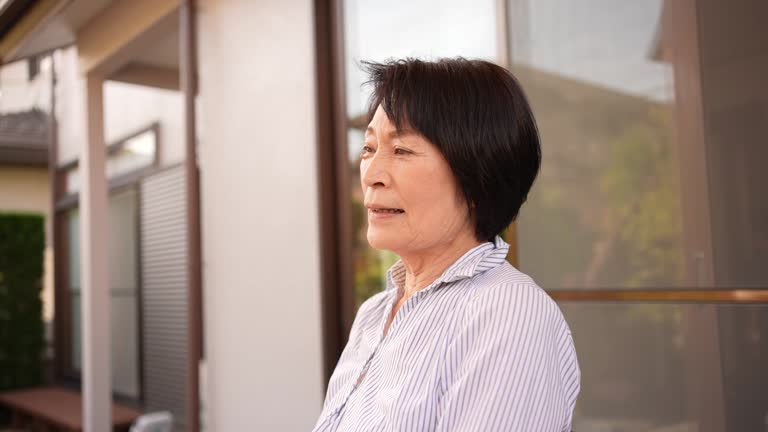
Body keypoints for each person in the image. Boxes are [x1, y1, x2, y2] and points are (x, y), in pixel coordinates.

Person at [312, 58, 580, 432]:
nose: (371, 175)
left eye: (402, 150)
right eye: (369, 148)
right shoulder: (374, 314)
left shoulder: (507, 314)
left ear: (476, 176)